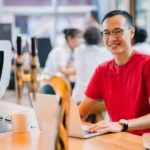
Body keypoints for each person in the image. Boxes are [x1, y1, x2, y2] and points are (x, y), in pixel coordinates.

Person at [79, 10, 150, 136]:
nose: (111, 38)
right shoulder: (102, 70)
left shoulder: (146, 64)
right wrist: (55, 118)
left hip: (144, 141)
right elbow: (82, 112)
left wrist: (122, 125)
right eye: (106, 33)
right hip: (118, 138)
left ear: (131, 32)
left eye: (118, 31)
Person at [72, 27, 112, 103]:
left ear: (84, 39)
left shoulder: (78, 51)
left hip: (80, 98)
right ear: (100, 39)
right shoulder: (106, 52)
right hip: (100, 100)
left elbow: (79, 44)